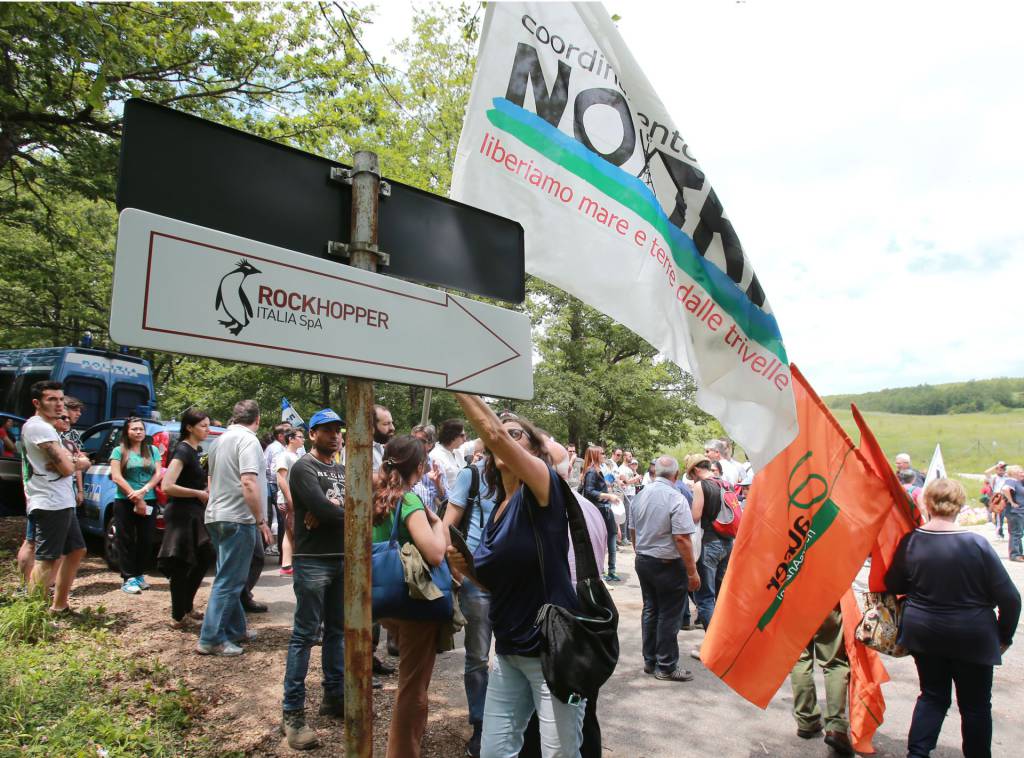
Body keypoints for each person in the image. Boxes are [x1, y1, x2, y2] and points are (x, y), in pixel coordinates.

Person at [453, 395, 586, 757]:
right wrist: (465, 567)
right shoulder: (497, 509)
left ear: (535, 452)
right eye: (504, 434)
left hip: (551, 652)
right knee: (495, 751)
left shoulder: (543, 488)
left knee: (560, 753)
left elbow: (493, 434)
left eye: (518, 435)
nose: (506, 439)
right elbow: (495, 584)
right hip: (510, 651)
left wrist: (454, 381)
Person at [884, 478, 1020, 758]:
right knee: (976, 705)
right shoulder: (976, 544)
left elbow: (894, 584)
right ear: (959, 505)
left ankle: (918, 754)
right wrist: (1004, 635)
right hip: (973, 634)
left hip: (924, 632)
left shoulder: (912, 541)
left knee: (932, 696)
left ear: (927, 504)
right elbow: (1010, 599)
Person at [373, 435, 448, 758]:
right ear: (419, 467)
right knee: (413, 688)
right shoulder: (409, 501)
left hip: (382, 598)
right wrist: (439, 524)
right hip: (413, 601)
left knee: (407, 681)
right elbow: (434, 554)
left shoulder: (373, 495)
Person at [280, 409, 346, 751]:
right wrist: (329, 512)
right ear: (312, 434)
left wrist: (332, 513)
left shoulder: (341, 468)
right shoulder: (303, 467)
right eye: (327, 431)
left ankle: (334, 697)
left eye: (338, 430)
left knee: (337, 631)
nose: (334, 436)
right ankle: (292, 713)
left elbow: (339, 507)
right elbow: (322, 508)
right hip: (312, 562)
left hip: (341, 559)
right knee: (305, 635)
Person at [197, 399, 273, 656]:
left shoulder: (219, 440)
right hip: (238, 518)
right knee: (230, 580)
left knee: (229, 576)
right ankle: (211, 639)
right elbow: (249, 482)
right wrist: (261, 520)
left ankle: (236, 629)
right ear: (257, 419)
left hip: (217, 515)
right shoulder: (249, 441)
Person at [443, 436, 500, 757]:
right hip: (476, 582)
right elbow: (448, 526)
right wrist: (458, 571)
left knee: (512, 657)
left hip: (512, 582)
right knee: (478, 656)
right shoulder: (473, 475)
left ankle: (506, 725)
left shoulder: (521, 478)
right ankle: (480, 726)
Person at [630, 455, 700, 682]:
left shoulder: (640, 496)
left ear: (655, 472)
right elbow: (682, 538)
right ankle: (667, 665)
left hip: (645, 559)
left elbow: (633, 530)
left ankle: (651, 660)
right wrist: (692, 571)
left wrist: (640, 551)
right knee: (669, 615)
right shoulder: (675, 498)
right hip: (667, 563)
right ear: (676, 475)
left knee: (651, 609)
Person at [22, 381, 91, 612]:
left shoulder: (52, 428)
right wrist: (71, 461)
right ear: (37, 403)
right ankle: (33, 614)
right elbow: (70, 468)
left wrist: (70, 460)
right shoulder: (38, 427)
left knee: (76, 550)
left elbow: (80, 461)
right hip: (49, 503)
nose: (58, 404)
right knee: (47, 559)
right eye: (52, 399)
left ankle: (59, 606)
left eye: (61, 399)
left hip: (63, 500)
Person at [158, 407, 215, 629]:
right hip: (181, 514)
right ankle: (177, 615)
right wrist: (197, 493)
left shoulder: (196, 451)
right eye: (203, 426)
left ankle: (187, 606)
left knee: (204, 556)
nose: (207, 429)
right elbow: (167, 485)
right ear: (189, 427)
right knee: (181, 563)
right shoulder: (182, 450)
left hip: (195, 513)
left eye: (208, 425)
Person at [109, 416, 163, 595]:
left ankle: (139, 574)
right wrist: (135, 496)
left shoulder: (152, 450)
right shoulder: (119, 451)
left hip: (149, 499)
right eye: (134, 429)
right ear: (127, 431)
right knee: (125, 539)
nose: (138, 432)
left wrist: (145, 490)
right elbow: (116, 476)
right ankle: (128, 577)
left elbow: (158, 473)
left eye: (141, 429)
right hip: (125, 500)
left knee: (146, 539)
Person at [789, 608, 854, 756]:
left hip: (795, 599)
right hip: (827, 597)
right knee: (834, 663)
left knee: (800, 658)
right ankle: (836, 727)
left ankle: (806, 720)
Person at [686, 453, 727, 644]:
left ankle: (714, 645)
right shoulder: (724, 483)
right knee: (721, 594)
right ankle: (726, 639)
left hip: (709, 543)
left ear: (695, 470)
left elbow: (695, 517)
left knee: (705, 598)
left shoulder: (700, 485)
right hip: (727, 543)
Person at [581, 445, 622, 582]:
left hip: (605, 509)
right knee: (601, 540)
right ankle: (602, 571)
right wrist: (608, 496)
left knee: (612, 536)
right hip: (598, 510)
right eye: (602, 453)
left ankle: (611, 570)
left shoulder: (600, 470)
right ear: (595, 455)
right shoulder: (592, 472)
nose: (604, 455)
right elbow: (589, 491)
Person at [275, 428, 306, 576]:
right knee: (293, 531)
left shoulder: (296, 456)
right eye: (300, 437)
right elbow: (281, 479)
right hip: (288, 501)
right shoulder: (284, 456)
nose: (303, 439)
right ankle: (290, 565)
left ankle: (287, 565)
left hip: (294, 500)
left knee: (290, 532)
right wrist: (290, 500)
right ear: (291, 439)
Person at [263, 422, 291, 558]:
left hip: (272, 485)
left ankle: (281, 553)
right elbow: (276, 472)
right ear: (280, 436)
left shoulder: (275, 447)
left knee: (280, 519)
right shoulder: (277, 449)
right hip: (275, 485)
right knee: (282, 520)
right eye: (288, 433)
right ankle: (283, 554)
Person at [430, 418, 470, 490]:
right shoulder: (435, 456)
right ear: (452, 435)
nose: (465, 439)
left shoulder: (457, 449)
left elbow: (482, 442)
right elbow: (435, 489)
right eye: (462, 435)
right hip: (449, 499)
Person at [1001, 465, 1024, 562]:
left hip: (1020, 512)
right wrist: (1012, 502)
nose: (1022, 473)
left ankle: (1019, 553)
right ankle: (1015, 554)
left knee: (1019, 533)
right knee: (1016, 533)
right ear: (1014, 473)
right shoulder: (1011, 480)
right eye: (1020, 472)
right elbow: (1005, 489)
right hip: (1015, 512)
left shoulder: (1019, 482)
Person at [984, 461, 1007, 537]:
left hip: (1007, 497)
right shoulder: (994, 478)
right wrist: (996, 466)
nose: (1002, 471)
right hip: (998, 498)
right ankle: (999, 531)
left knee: (1008, 515)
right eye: (1000, 469)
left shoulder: (1006, 476)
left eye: (1003, 469)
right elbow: (986, 472)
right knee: (999, 516)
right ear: (996, 470)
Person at [372, 403, 396, 471]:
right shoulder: (357, 450)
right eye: (386, 424)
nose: (392, 428)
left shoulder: (382, 447)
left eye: (391, 423)